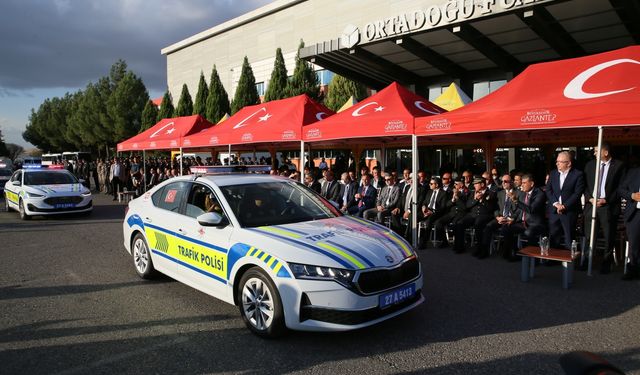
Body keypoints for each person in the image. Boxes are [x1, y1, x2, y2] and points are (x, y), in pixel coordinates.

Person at [583, 143, 625, 273]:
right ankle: (587, 260)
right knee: (590, 235)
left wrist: (606, 200)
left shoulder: (619, 166)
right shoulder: (590, 165)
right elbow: (584, 185)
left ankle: (606, 263)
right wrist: (590, 198)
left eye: (596, 151)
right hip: (591, 205)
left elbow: (620, 188)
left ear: (605, 152)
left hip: (608, 206)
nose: (594, 153)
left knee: (608, 236)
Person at [546, 151, 585, 250]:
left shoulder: (578, 174)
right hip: (554, 211)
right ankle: (553, 260)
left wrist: (564, 206)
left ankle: (569, 262)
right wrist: (556, 204)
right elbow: (548, 190)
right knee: (554, 237)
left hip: (569, 211)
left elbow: (577, 193)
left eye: (560, 161)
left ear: (569, 163)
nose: (557, 163)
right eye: (557, 161)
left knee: (569, 238)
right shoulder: (553, 173)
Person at [502, 173, 547, 259]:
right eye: (521, 183)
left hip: (535, 224)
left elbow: (531, 209)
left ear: (532, 183)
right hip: (523, 222)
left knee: (528, 232)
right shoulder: (523, 193)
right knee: (506, 228)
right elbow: (520, 209)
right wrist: (512, 218)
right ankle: (514, 252)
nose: (521, 185)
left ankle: (533, 257)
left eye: (524, 183)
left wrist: (516, 201)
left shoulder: (539, 194)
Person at [452, 177, 497, 254]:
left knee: (478, 224)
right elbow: (467, 206)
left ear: (482, 184)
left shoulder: (491, 193)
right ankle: (460, 247)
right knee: (460, 223)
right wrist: (475, 199)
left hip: (485, 215)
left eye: (476, 184)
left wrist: (482, 200)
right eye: (474, 184)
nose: (474, 186)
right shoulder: (472, 193)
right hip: (472, 215)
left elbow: (491, 208)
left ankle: (481, 249)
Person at [476, 174, 516, 259]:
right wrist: (497, 216)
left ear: (511, 182)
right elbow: (495, 207)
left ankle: (507, 253)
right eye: (502, 181)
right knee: (488, 227)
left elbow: (519, 209)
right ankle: (484, 251)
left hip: (510, 218)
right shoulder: (500, 193)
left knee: (507, 229)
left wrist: (511, 218)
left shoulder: (518, 193)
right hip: (500, 217)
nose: (503, 183)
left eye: (506, 181)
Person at [434, 177, 469, 248]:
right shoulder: (451, 192)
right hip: (452, 213)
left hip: (461, 213)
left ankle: (458, 245)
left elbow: (465, 207)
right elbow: (447, 204)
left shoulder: (467, 192)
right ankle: (444, 241)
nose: (454, 186)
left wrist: (457, 199)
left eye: (456, 184)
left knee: (456, 224)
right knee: (438, 222)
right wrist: (453, 199)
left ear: (461, 185)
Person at [618, 167, 640, 280]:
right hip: (635, 213)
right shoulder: (633, 172)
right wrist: (632, 195)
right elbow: (621, 189)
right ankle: (633, 269)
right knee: (634, 243)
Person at [418, 177, 447, 247]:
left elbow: (442, 208)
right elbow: (424, 202)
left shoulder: (443, 193)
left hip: (436, 212)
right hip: (426, 210)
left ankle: (424, 242)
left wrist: (432, 212)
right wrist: (423, 207)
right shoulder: (429, 192)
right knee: (413, 216)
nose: (429, 185)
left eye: (431, 184)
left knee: (429, 221)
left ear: (436, 185)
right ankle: (409, 237)